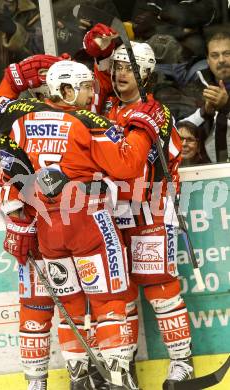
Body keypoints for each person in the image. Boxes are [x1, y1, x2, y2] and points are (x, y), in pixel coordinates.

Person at [0, 52, 163, 390]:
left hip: (48, 228)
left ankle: (81, 377)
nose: (90, 94)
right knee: (109, 299)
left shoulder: (24, 118)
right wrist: (142, 129)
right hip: (88, 218)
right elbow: (126, 167)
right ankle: (118, 378)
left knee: (69, 302)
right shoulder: (90, 121)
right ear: (66, 90)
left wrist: (13, 79)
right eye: (84, 87)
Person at [84, 23, 195, 386]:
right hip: (114, 214)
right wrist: (99, 47)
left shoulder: (155, 112)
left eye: (128, 67)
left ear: (146, 73)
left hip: (151, 210)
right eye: (116, 67)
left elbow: (133, 165)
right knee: (122, 292)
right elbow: (87, 80)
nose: (120, 74)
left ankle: (183, 362)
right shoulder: (108, 107)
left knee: (161, 287)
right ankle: (123, 366)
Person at [181, 30, 230, 163]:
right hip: (205, 170)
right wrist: (206, 111)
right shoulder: (195, 87)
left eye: (227, 54)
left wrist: (226, 105)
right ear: (208, 60)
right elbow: (183, 129)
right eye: (215, 55)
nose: (221, 60)